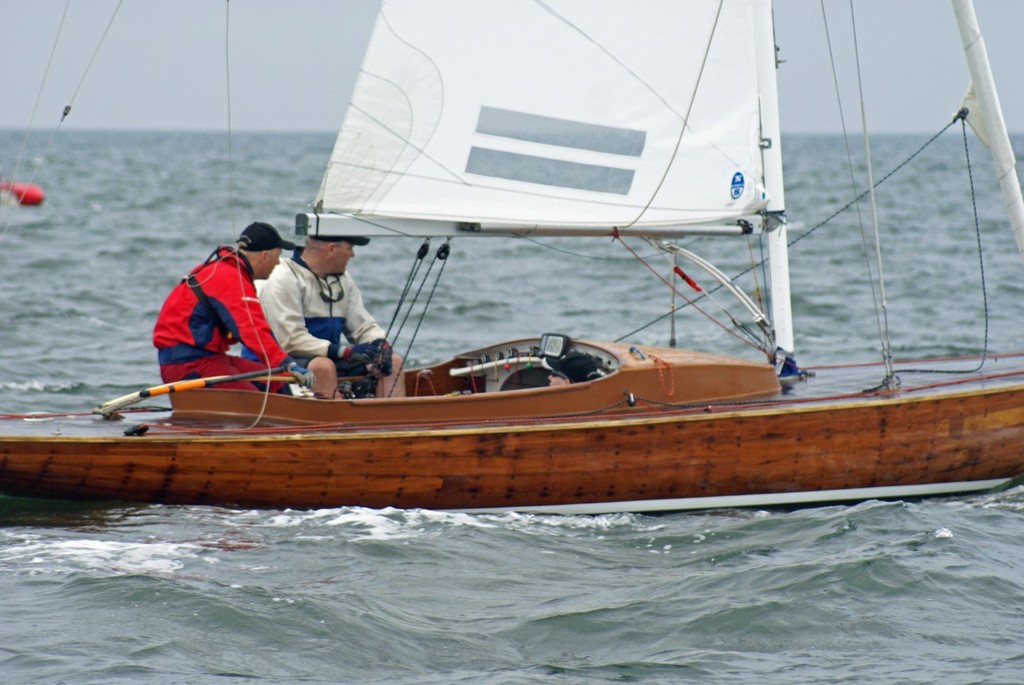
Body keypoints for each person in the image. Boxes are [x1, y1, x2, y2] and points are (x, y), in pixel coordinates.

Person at [153, 222, 315, 392]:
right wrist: (287, 363)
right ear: (265, 256)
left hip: (210, 358)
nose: (278, 263)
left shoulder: (227, 271)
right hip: (187, 365)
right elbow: (253, 330)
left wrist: (283, 366)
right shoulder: (231, 278)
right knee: (255, 402)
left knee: (278, 383)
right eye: (278, 256)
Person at [257, 233, 405, 398]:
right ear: (332, 249)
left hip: (329, 355)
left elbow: (363, 326)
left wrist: (381, 345)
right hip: (278, 360)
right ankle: (336, 419)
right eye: (350, 248)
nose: (353, 254)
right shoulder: (283, 278)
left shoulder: (343, 279)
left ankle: (389, 419)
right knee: (323, 367)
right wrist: (343, 352)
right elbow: (290, 340)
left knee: (393, 362)